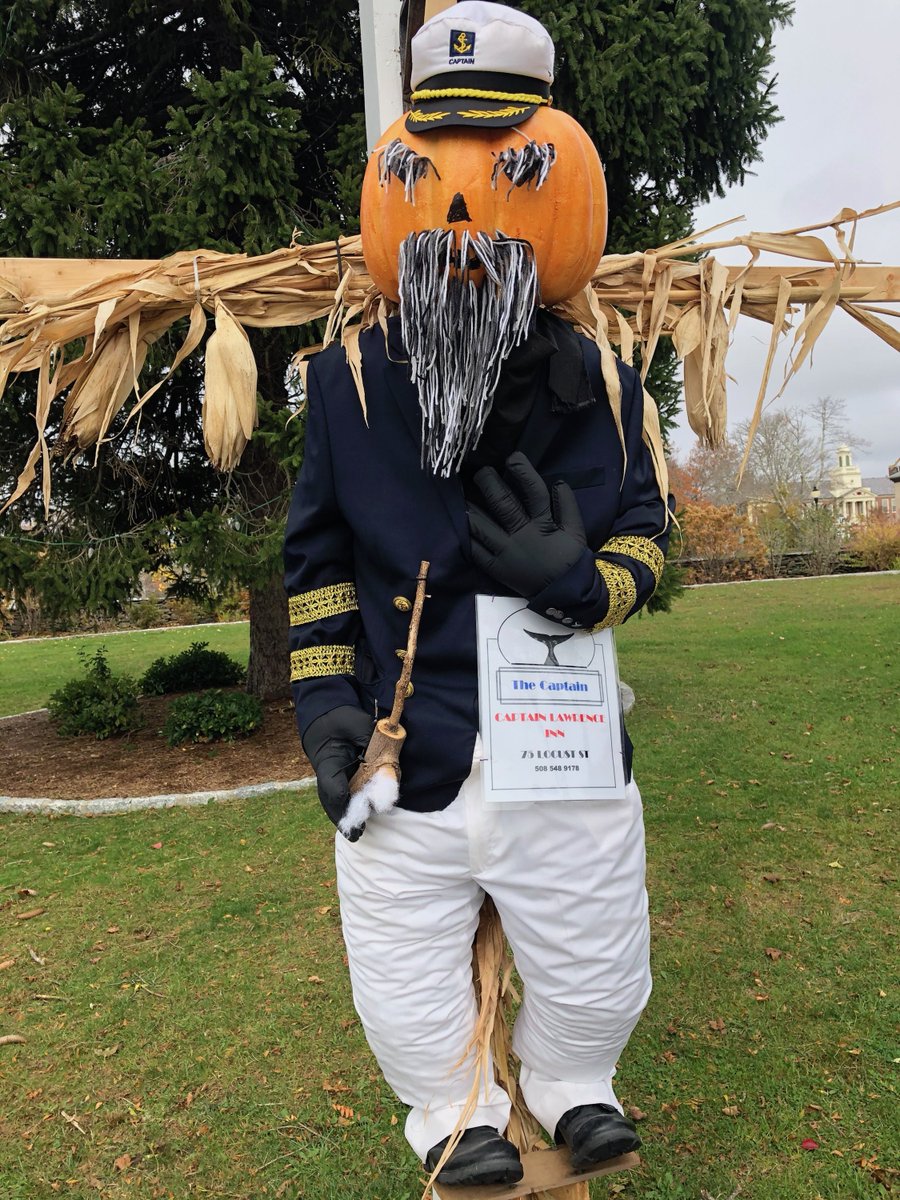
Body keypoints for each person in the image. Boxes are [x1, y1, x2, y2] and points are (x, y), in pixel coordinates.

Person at [284, 2, 670, 1188]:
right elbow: (314, 568)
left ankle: (570, 1081)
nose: (462, 209)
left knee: (597, 948)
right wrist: (325, 714)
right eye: (425, 169)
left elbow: (656, 541)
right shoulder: (345, 385)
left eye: (511, 172)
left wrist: (589, 588)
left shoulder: (606, 383)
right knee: (399, 969)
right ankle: (461, 1110)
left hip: (563, 747)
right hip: (414, 752)